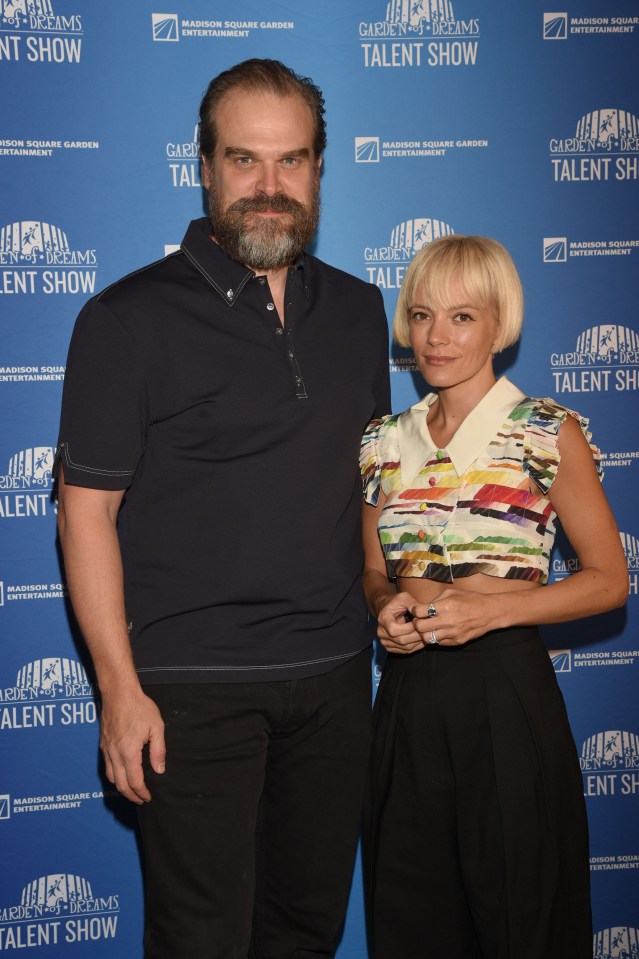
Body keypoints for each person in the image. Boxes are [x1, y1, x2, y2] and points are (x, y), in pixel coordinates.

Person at [55, 59, 390, 958]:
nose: (270, 188)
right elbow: (84, 514)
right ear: (202, 166)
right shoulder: (125, 320)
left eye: (292, 161)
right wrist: (119, 691)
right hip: (190, 692)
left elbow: (369, 482)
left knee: (304, 931)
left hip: (332, 680)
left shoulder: (361, 311)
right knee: (200, 940)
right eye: (245, 160)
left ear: (321, 167)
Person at [359, 235, 628, 959]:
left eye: (460, 317)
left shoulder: (546, 430)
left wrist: (492, 610)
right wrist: (385, 606)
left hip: (506, 692)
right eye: (420, 315)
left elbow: (609, 579)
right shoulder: (383, 441)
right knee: (410, 915)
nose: (436, 337)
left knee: (520, 916)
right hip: (408, 700)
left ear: (497, 323)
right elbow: (371, 571)